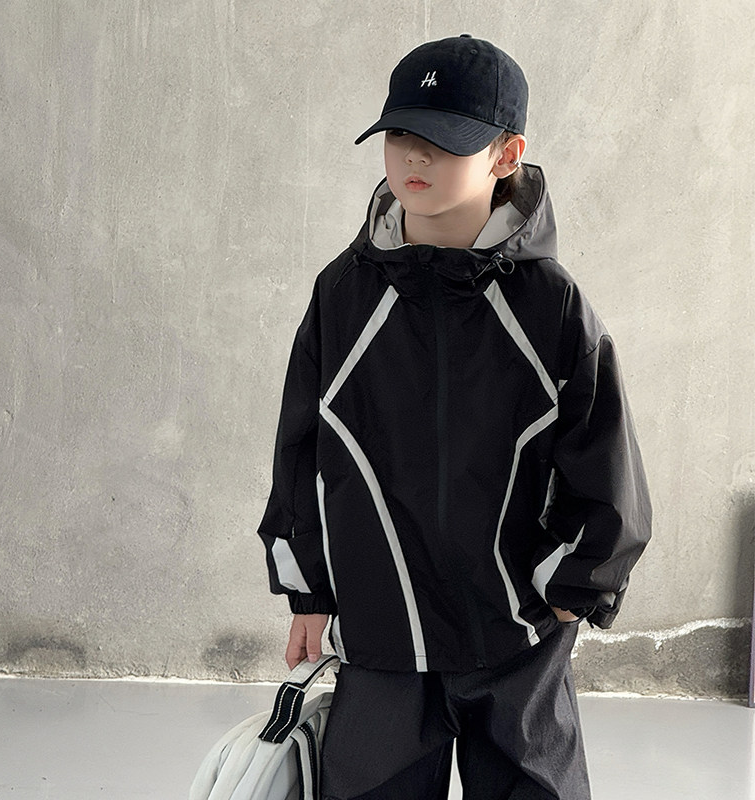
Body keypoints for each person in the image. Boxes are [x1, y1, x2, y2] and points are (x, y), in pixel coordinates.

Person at [257, 34, 651, 800]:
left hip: (515, 630)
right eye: (402, 134)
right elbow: (301, 449)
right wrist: (309, 592)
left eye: (446, 139)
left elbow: (604, 452)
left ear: (507, 155)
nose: (416, 156)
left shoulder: (551, 305)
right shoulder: (342, 295)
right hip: (381, 628)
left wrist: (576, 583)